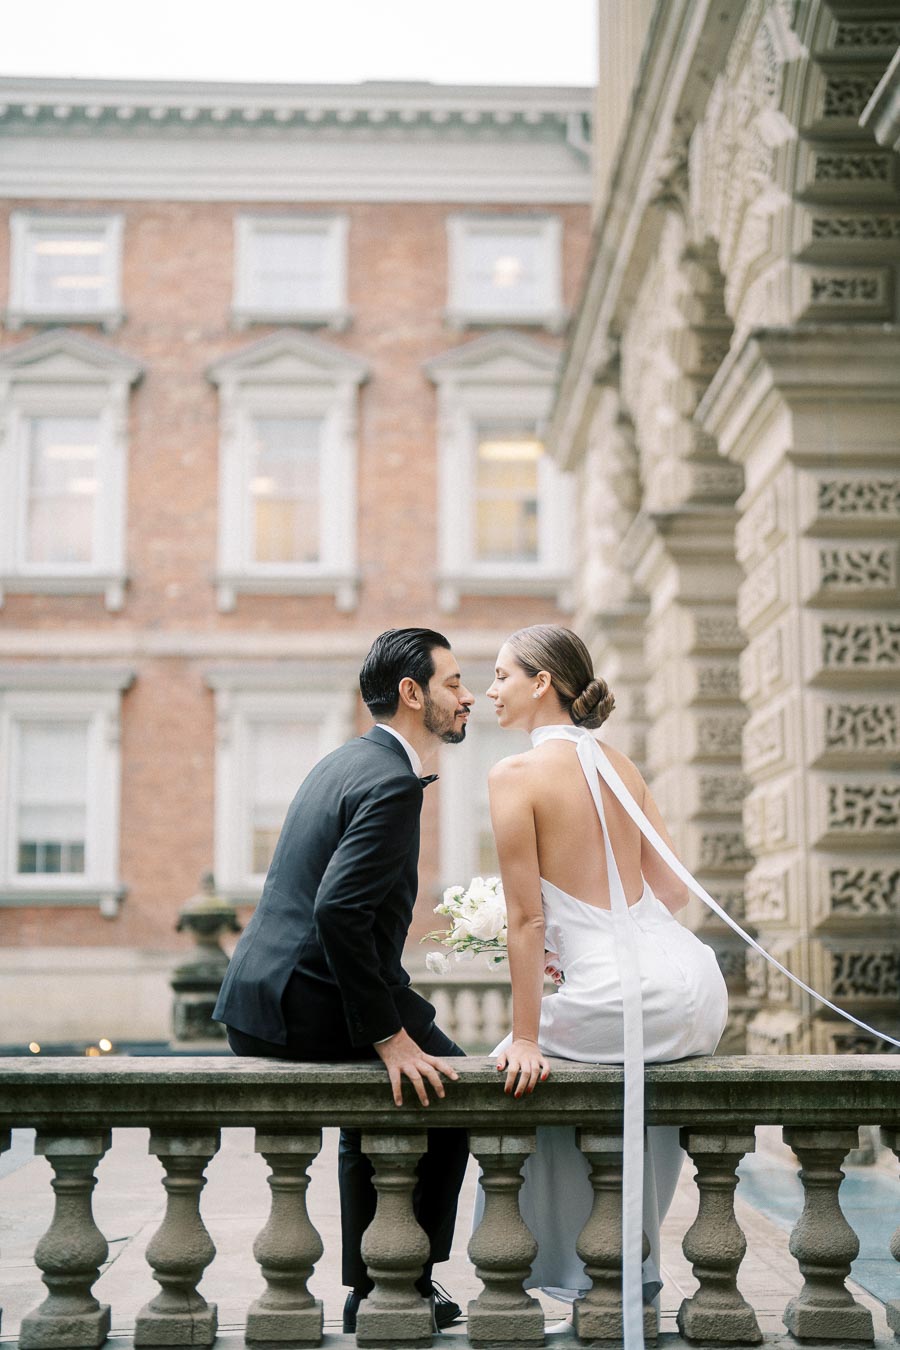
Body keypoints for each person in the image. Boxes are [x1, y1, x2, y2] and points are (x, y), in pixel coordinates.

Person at [213, 627, 475, 1334]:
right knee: (449, 1089)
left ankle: (376, 1283)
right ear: (412, 693)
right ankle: (401, 1283)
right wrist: (388, 1035)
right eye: (454, 683)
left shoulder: (345, 761)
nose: (468, 696)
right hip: (304, 996)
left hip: (259, 993)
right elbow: (337, 910)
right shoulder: (391, 781)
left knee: (398, 1089)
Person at [478, 624, 729, 1348]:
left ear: (541, 683)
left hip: (620, 997)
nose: (490, 690)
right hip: (692, 986)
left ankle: (581, 1268)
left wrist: (526, 1035)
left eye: (500, 675)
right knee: (629, 1086)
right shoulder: (622, 763)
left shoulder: (514, 777)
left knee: (516, 1069)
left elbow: (526, 919)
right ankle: (634, 1275)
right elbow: (670, 893)